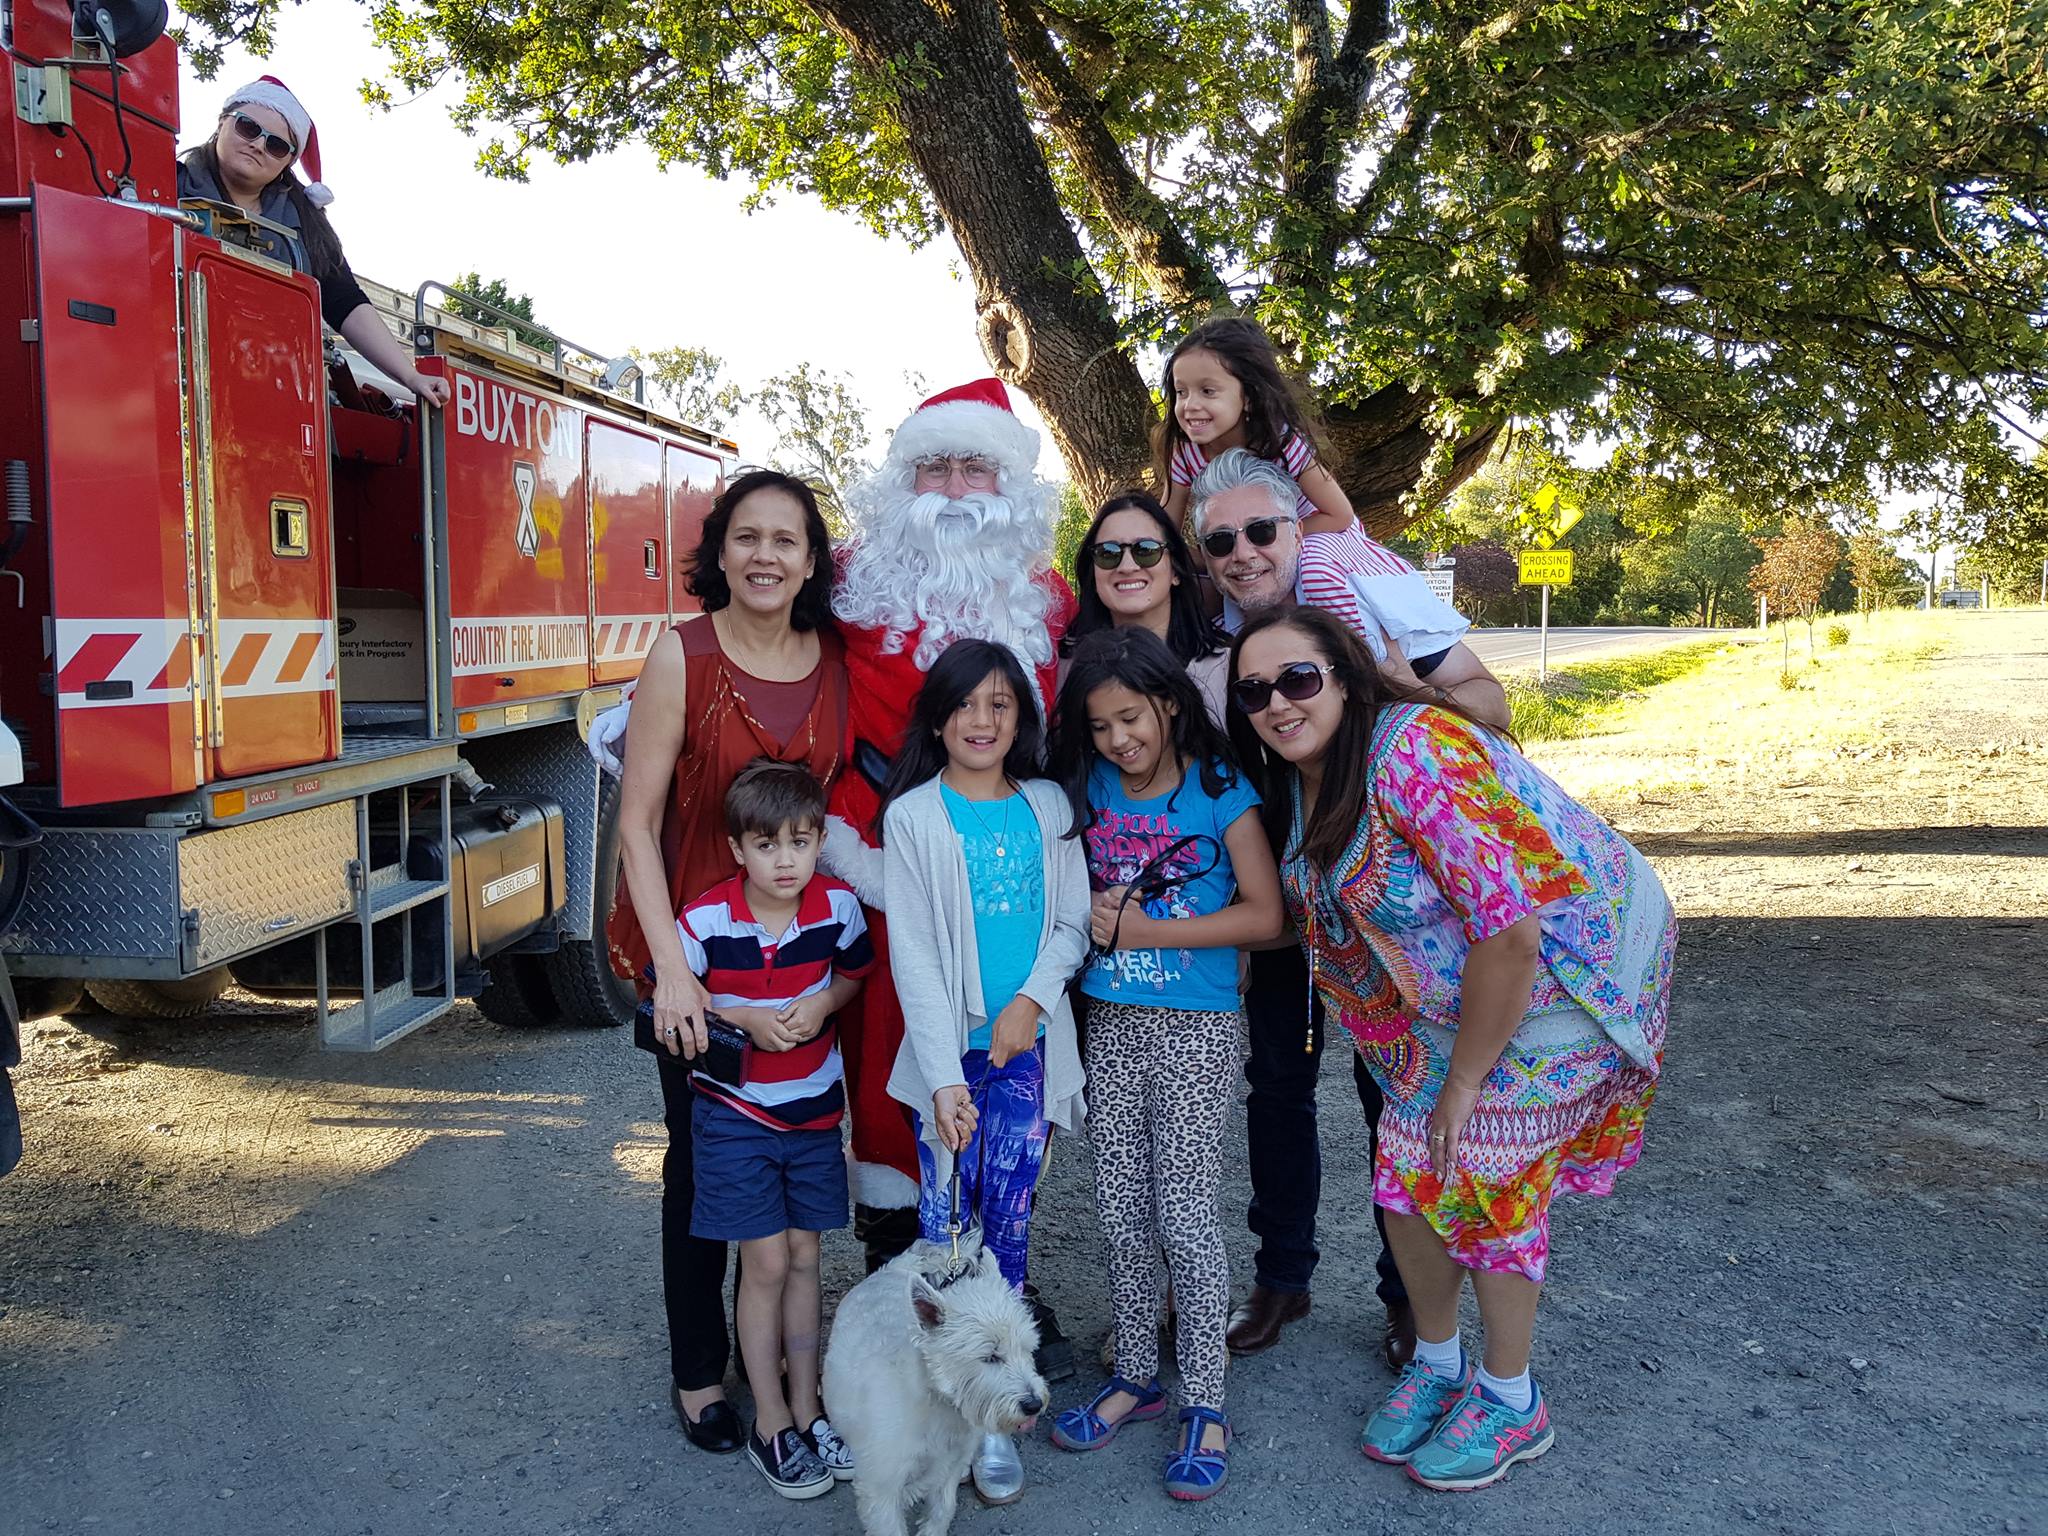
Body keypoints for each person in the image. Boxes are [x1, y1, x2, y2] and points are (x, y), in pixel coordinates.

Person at [1227, 605, 1674, 1491]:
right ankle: (1437, 1365)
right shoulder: (1298, 779)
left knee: (1487, 1166)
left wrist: (1465, 1081)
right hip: (1453, 990)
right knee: (1406, 1168)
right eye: (1253, 691)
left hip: (1567, 972)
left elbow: (1511, 931)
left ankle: (1512, 1400)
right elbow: (1306, 917)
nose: (1277, 702)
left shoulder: (1418, 756)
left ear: (1346, 679)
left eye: (1298, 678)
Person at [609, 470, 849, 1459]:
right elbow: (635, 821)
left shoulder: (835, 657)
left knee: (789, 1160)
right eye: (747, 536)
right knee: (702, 1160)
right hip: (698, 953)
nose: (764, 556)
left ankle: (781, 1369)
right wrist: (674, 974)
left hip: (798, 957)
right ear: (721, 549)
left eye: (785, 539)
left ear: (811, 559)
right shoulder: (683, 653)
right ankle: (700, 1372)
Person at [1045, 628, 1281, 1501]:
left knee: (1183, 1213)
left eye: (1132, 718)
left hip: (1197, 1028)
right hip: (1112, 1021)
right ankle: (1137, 1376)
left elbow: (1266, 916)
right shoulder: (1086, 790)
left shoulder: (1221, 790)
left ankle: (1206, 1400)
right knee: (1118, 1207)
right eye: (1101, 726)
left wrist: (1147, 929)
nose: (1119, 739)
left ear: (1171, 706)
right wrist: (1091, 906)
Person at [876, 639, 1090, 1507]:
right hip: (949, 1062)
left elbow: (1072, 922)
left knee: (1008, 1226)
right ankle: (941, 1410)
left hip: (1026, 1053)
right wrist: (943, 1079)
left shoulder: (1047, 805)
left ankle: (998, 1416)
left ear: (1021, 718)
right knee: (944, 1232)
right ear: (938, 718)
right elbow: (916, 958)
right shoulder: (914, 819)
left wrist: (1030, 1003)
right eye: (965, 704)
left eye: (1000, 704)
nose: (982, 720)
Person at [672, 761, 873, 1499]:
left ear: (820, 840)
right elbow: (671, 1003)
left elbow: (852, 975)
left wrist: (823, 1004)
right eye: (766, 845)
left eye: (800, 842)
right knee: (763, 1263)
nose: (785, 860)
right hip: (735, 1119)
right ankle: (771, 1421)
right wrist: (744, 1018)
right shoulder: (705, 920)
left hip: (814, 1115)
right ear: (737, 849)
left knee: (805, 1256)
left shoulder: (838, 908)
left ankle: (808, 1406)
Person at [177, 78, 452, 408]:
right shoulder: (165, 183)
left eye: (277, 145)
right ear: (223, 121)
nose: (259, 145)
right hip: (177, 374)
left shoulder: (307, 223)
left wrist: (411, 377)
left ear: (288, 161)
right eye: (248, 128)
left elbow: (345, 301)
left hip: (280, 392)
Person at [1156, 317, 1355, 535]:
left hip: (1314, 534)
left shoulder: (1282, 443)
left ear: (1250, 396)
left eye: (1208, 391)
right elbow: (1164, 533)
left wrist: (1270, 538)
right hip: (1242, 543)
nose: (1190, 405)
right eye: (1181, 392)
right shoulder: (1186, 454)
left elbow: (1339, 516)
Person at [1062, 490, 1229, 720]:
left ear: (1175, 570)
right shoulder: (1064, 669)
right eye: (1108, 553)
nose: (1127, 566)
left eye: (1146, 550)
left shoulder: (1225, 668)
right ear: (1094, 574)